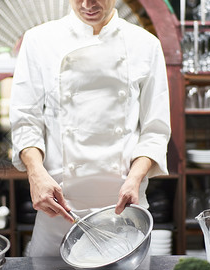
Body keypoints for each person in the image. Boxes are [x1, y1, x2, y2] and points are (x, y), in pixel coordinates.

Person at [10, 0, 171, 256]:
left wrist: (135, 178)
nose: (88, 4)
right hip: (59, 209)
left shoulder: (145, 44)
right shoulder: (39, 40)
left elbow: (156, 129)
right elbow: (25, 120)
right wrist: (35, 173)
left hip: (124, 208)